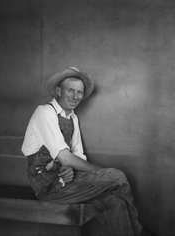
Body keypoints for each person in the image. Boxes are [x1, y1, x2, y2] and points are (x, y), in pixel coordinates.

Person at [21, 67, 143, 236]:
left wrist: (70, 169)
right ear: (58, 91)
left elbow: (76, 156)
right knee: (117, 176)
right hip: (48, 188)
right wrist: (104, 173)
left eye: (79, 92)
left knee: (115, 203)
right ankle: (139, 232)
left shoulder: (73, 117)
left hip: (68, 182)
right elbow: (65, 157)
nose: (76, 96)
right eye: (70, 90)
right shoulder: (44, 113)